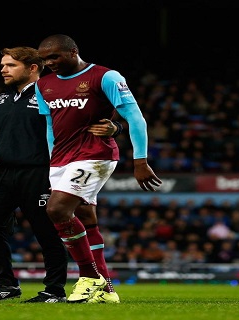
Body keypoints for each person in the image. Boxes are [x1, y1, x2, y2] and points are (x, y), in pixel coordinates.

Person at [0, 47, 121, 303]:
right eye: (2, 65)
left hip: (40, 170)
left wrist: (116, 126)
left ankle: (54, 289)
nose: (3, 69)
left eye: (10, 65)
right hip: (2, 172)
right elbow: (3, 136)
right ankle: (6, 284)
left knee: (47, 232)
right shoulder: (3, 98)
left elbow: (86, 117)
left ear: (32, 68)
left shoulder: (53, 91)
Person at [35, 34, 163, 303]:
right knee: (87, 221)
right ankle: (106, 292)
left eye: (54, 57)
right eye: (44, 59)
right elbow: (50, 126)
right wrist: (52, 160)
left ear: (73, 52)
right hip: (61, 159)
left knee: (57, 209)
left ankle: (90, 276)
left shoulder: (105, 76)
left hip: (95, 154)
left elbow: (135, 116)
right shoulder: (43, 84)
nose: (49, 63)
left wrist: (140, 160)